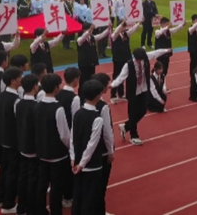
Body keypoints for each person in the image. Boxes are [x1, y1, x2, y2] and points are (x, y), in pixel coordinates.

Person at [112, 47, 171, 145]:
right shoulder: (128, 65)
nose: (140, 61)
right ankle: (134, 135)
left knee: (143, 110)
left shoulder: (145, 58)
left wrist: (166, 51)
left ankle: (125, 127)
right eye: (138, 59)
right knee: (132, 113)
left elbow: (156, 53)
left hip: (143, 89)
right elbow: (121, 77)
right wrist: (112, 85)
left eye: (141, 59)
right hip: (133, 92)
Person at [34, 73, 70, 215]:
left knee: (42, 184)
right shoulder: (58, 108)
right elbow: (64, 134)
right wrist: (70, 147)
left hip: (42, 151)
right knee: (56, 186)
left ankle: (40, 210)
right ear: (55, 87)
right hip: (57, 154)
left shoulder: (37, 105)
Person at [70, 80, 107, 215]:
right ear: (98, 96)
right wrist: (82, 163)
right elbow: (92, 144)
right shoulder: (97, 119)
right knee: (90, 198)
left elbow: (72, 137)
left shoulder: (77, 113)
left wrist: (73, 158)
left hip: (77, 162)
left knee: (78, 196)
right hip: (92, 165)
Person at [0, 67, 23, 213]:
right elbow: (18, 121)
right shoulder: (16, 100)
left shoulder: (2, 95)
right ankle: (9, 204)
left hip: (2, 137)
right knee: (12, 171)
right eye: (19, 77)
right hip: (12, 140)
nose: (21, 79)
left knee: (4, 169)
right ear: (13, 81)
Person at [90, 73, 115, 215]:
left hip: (89, 150)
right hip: (102, 151)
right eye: (107, 83)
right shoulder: (103, 107)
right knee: (100, 184)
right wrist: (110, 151)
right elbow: (107, 131)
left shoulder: (85, 102)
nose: (109, 85)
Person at [14, 74, 39, 215]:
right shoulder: (36, 106)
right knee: (33, 179)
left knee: (23, 177)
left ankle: (21, 206)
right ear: (35, 86)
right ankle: (31, 208)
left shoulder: (19, 104)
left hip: (22, 145)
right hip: (33, 147)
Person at [111, 20, 140, 103]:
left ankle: (121, 93)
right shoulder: (114, 35)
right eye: (124, 26)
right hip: (118, 59)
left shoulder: (126, 34)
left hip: (127, 58)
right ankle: (113, 95)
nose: (125, 28)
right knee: (116, 76)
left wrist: (139, 23)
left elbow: (133, 29)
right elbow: (116, 31)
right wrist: (121, 24)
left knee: (125, 75)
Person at [77, 23, 109, 89]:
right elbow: (83, 37)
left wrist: (108, 29)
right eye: (89, 29)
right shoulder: (80, 39)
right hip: (84, 64)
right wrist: (90, 29)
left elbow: (101, 35)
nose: (91, 31)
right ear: (84, 30)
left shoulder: (92, 38)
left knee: (92, 79)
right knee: (83, 80)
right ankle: (82, 93)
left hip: (92, 62)